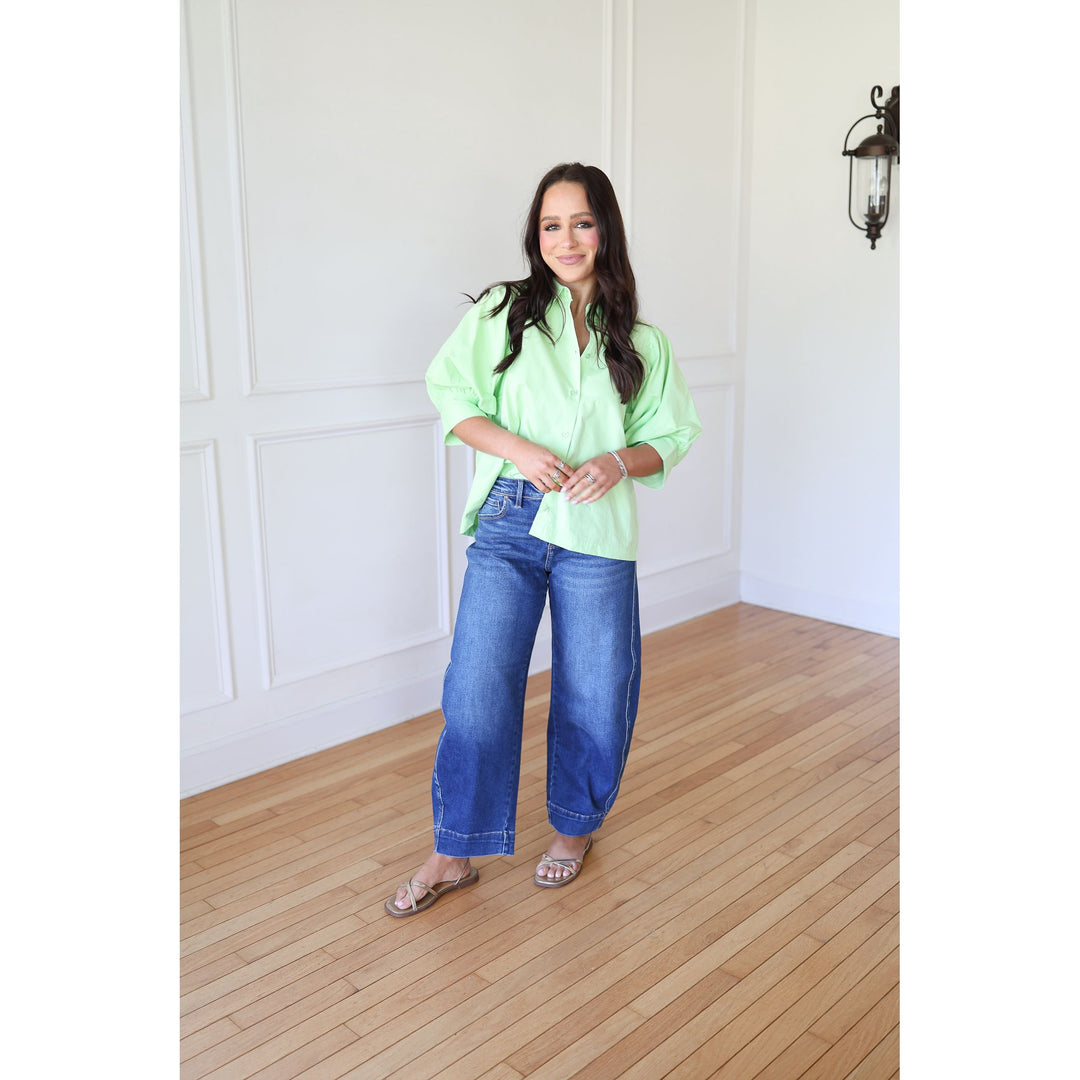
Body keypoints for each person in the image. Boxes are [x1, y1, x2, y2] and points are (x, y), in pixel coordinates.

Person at [385, 162, 701, 917]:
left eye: (582, 222)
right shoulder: (504, 311)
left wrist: (618, 461)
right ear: (536, 234)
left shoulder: (642, 342)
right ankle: (454, 849)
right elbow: (450, 394)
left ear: (605, 231)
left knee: (595, 691)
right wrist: (517, 451)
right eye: (551, 224)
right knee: (476, 689)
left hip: (596, 531)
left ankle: (573, 829)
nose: (566, 238)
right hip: (509, 520)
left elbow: (673, 434)